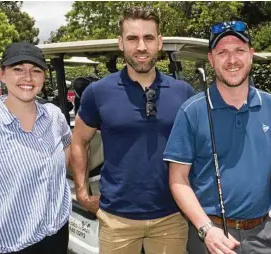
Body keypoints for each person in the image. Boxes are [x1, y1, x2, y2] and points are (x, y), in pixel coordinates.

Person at [70, 6, 195, 254]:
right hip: (116, 219)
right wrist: (83, 194)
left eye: (148, 38)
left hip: (171, 217)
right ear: (121, 43)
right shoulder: (99, 93)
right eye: (132, 38)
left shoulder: (183, 93)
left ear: (159, 42)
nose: (141, 47)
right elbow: (79, 141)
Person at [164, 21, 271, 254]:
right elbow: (178, 180)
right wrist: (206, 229)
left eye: (239, 51)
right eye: (223, 52)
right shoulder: (192, 111)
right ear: (211, 59)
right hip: (210, 237)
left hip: (265, 235)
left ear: (251, 55)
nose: (232, 60)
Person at [0, 42, 71, 254]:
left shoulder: (54, 116)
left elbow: (67, 149)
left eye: (35, 70)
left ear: (43, 77)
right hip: (12, 247)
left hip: (57, 236)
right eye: (18, 69)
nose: (27, 77)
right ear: (2, 74)